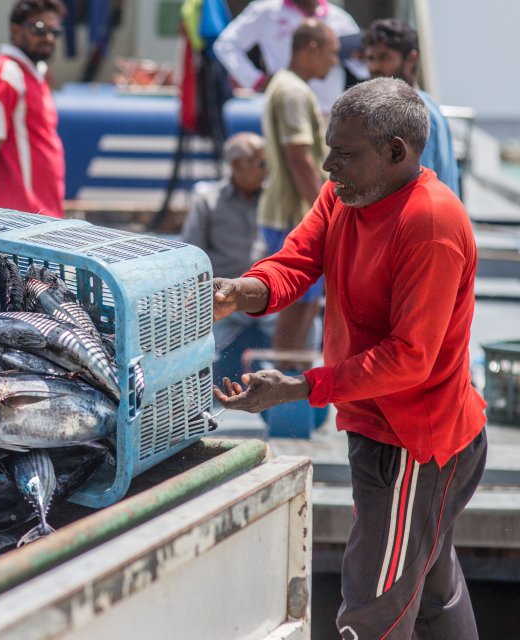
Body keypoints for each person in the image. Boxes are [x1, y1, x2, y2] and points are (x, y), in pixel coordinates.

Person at [212, 78, 487, 639]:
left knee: (371, 613)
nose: (327, 165)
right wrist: (245, 290)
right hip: (382, 428)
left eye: (344, 152)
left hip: (415, 445)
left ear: (396, 152)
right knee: (433, 589)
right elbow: (297, 260)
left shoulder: (430, 223)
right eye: (329, 148)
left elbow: (410, 359)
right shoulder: (344, 192)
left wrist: (299, 387)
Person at [259, 20, 339, 366]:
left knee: (299, 311)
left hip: (286, 213)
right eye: (332, 53)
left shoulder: (285, 85)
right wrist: (327, 213)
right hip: (294, 216)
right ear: (312, 48)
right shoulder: (293, 91)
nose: (334, 62)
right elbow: (300, 158)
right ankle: (284, 404)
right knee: (296, 312)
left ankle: (287, 396)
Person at [181, 131, 271, 379]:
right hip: (224, 303)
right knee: (205, 361)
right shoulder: (208, 202)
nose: (268, 171)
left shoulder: (274, 200)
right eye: (262, 163)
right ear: (236, 166)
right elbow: (191, 258)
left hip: (270, 297)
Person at [0, 0, 66, 218]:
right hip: (21, 220)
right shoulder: (5, 74)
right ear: (15, 30)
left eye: (55, 32)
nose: (49, 38)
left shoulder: (36, 74)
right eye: (40, 30)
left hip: (44, 215)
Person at [212, 0, 367, 114]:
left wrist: (361, 58)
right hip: (285, 108)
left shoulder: (339, 18)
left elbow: (361, 69)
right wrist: (256, 80)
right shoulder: (267, 11)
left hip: (327, 110)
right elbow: (226, 45)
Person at [363, 18, 461, 197]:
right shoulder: (427, 105)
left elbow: (416, 187)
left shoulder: (416, 111)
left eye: (384, 57)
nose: (374, 66)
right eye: (370, 58)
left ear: (411, 58)